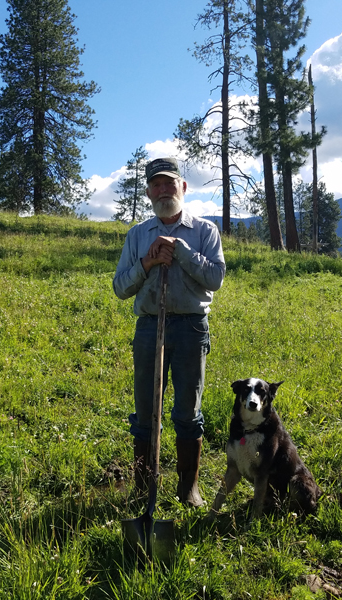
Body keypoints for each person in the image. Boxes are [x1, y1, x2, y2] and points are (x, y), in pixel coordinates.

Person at [113, 157, 225, 507]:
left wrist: (181, 253)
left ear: (183, 187)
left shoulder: (205, 232)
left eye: (169, 183)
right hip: (149, 328)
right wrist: (147, 263)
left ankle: (187, 489)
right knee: (146, 411)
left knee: (187, 412)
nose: (163, 190)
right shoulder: (137, 235)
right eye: (156, 185)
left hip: (191, 328)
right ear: (148, 192)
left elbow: (215, 279)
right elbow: (120, 288)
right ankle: (143, 488)